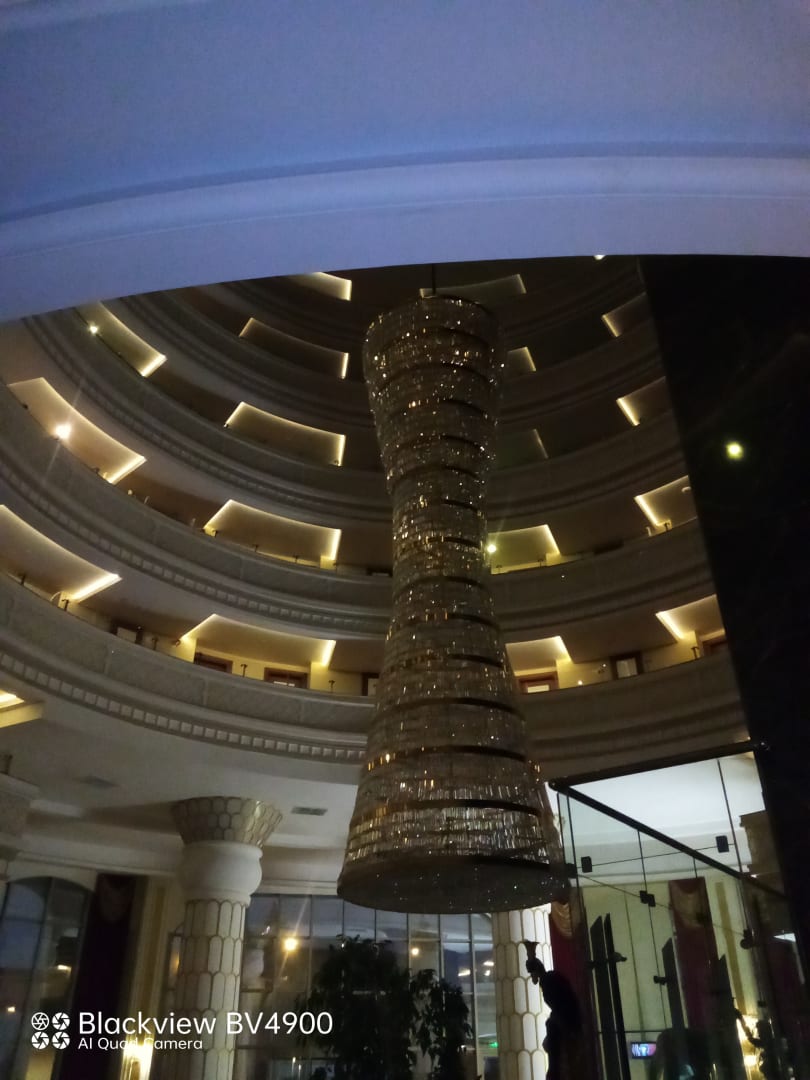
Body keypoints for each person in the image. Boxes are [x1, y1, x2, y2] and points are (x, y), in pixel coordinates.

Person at [522, 942, 585, 1080]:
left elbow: (560, 1003)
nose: (532, 977)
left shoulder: (548, 982)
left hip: (564, 1024)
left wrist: (555, 1021)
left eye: (532, 972)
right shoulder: (549, 979)